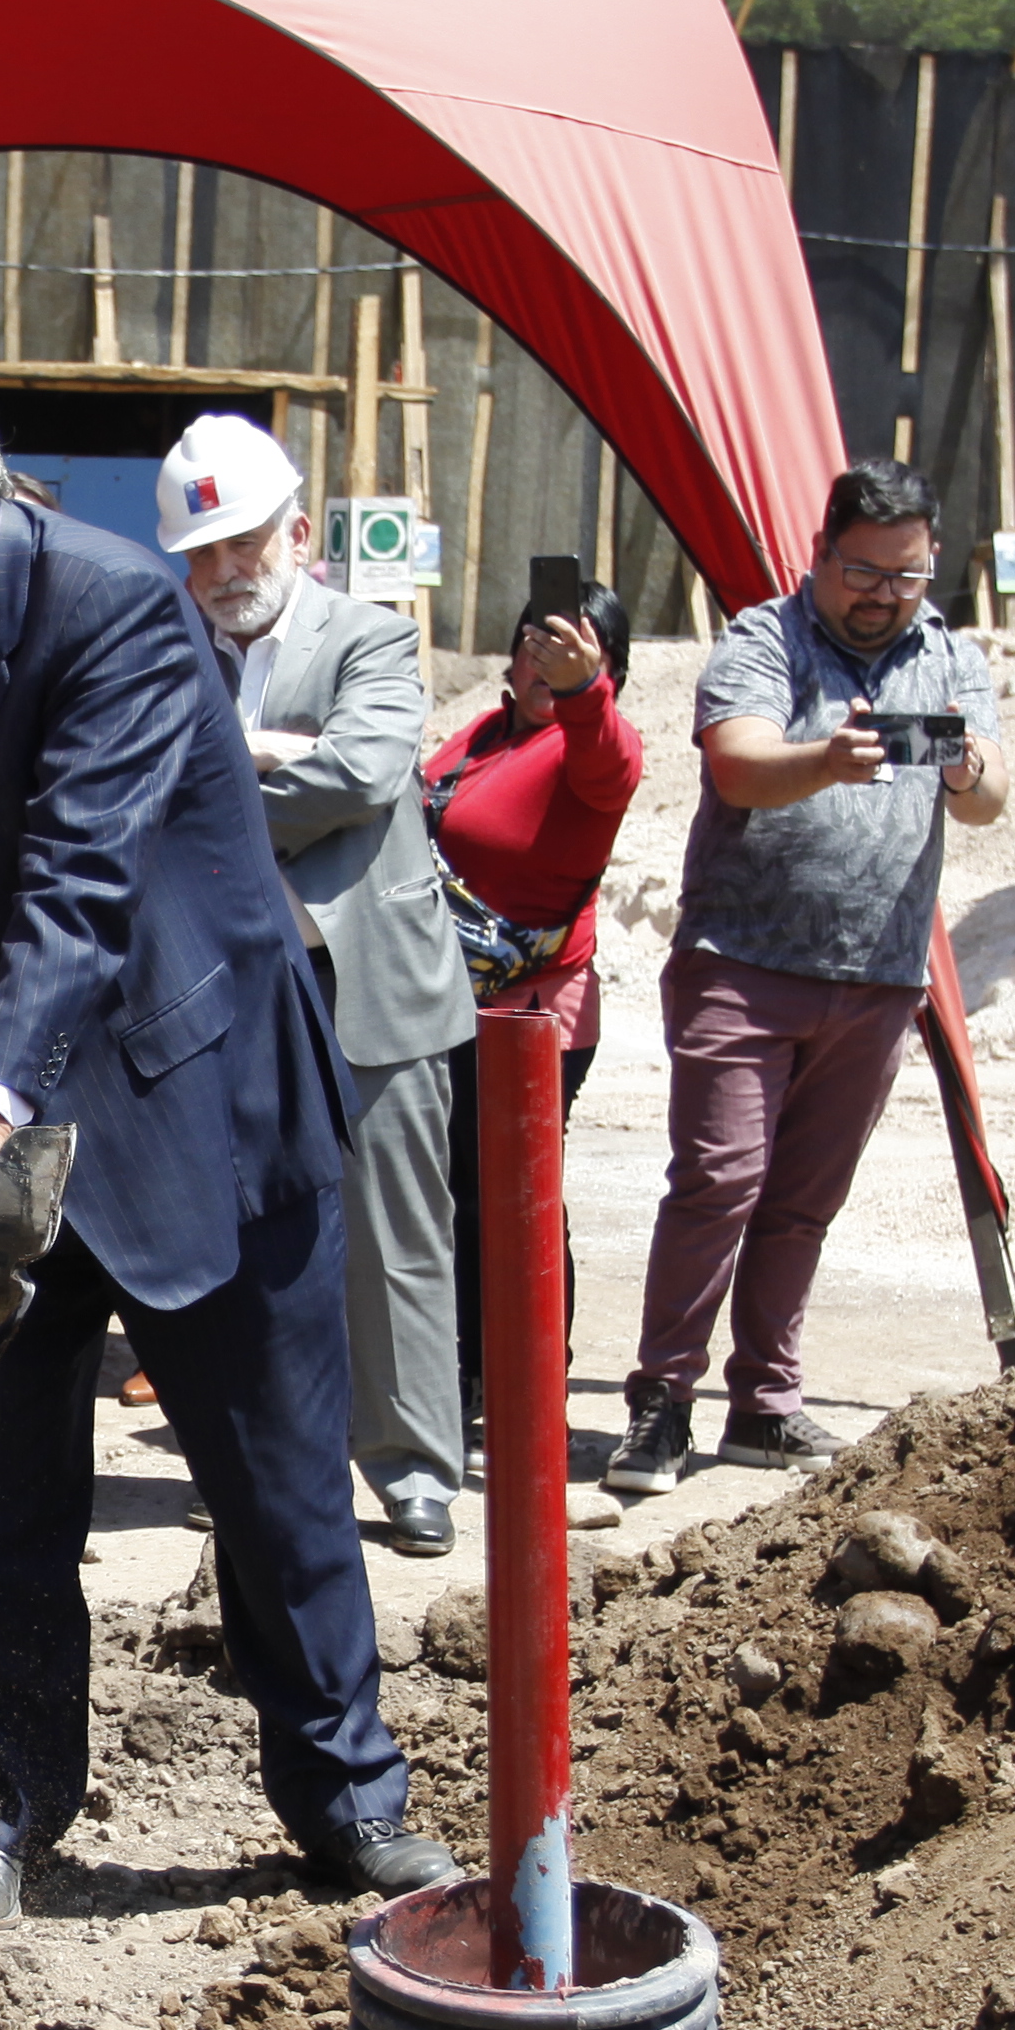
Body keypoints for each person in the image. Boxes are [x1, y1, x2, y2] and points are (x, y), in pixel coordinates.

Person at [0, 343, 450, 1925]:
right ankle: (15, 1793)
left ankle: (344, 1799)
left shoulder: (120, 609)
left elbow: (79, 879)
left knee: (277, 1487)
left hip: (192, 1105)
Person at [602, 462, 1008, 1498]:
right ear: (819, 558)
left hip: (876, 973)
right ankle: (661, 1400)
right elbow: (736, 764)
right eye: (863, 572)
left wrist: (963, 766)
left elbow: (990, 796)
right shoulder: (760, 640)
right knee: (719, 1183)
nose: (882, 594)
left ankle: (765, 1404)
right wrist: (826, 760)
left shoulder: (952, 653)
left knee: (803, 1201)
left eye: (906, 577)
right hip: (744, 961)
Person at [161, 413, 474, 1554]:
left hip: (371, 983)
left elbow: (363, 774)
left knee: (398, 1232)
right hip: (231, 985)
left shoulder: (374, 640)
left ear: (296, 531)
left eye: (242, 542)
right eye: (200, 552)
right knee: (249, 1238)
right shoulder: (167, 643)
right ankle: (273, 1464)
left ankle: (413, 1468)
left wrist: (223, 780)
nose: (222, 571)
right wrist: (269, 758)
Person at [421, 569, 651, 1454]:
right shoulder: (486, 733)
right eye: (530, 639)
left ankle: (524, 1398)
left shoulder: (590, 748)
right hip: (446, 1003)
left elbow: (613, 760)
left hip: (530, 1018)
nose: (539, 655)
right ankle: (469, 1380)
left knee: (512, 1203)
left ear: (606, 668)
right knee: (453, 1202)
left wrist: (584, 691)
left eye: (565, 645)